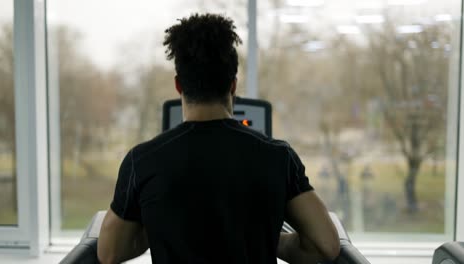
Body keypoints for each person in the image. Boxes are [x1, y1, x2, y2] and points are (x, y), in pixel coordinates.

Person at [97, 13, 340, 264]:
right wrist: (269, 238)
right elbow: (325, 246)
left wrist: (161, 227)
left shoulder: (142, 161)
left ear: (179, 85)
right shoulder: (278, 157)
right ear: (233, 85)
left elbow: (109, 253)